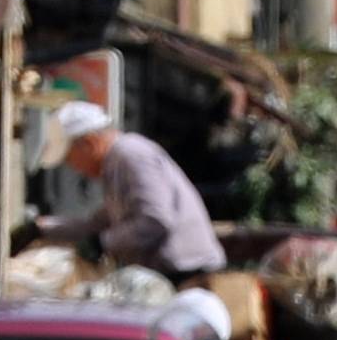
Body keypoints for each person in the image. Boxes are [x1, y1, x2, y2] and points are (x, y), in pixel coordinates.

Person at [33, 101, 228, 280]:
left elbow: (155, 219)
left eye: (70, 158)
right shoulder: (116, 163)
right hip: (171, 270)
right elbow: (100, 223)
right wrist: (43, 229)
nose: (74, 167)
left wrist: (102, 243)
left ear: (89, 143)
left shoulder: (130, 154)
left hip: (187, 271)